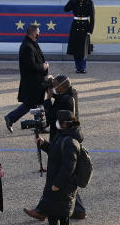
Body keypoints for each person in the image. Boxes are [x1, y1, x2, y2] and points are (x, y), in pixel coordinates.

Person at [36, 76, 85, 220]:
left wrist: (48, 99)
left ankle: (42, 209)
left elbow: (51, 117)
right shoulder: (69, 93)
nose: (54, 87)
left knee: (59, 174)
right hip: (61, 137)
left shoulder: (66, 100)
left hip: (62, 139)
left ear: (62, 87)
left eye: (56, 85)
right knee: (64, 177)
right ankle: (79, 209)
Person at [25, 110, 84, 225]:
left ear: (64, 124)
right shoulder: (62, 134)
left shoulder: (70, 142)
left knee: (62, 219)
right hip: (54, 186)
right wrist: (44, 144)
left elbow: (68, 167)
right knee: (52, 217)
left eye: (58, 121)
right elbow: (56, 152)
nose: (56, 123)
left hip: (61, 189)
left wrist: (57, 184)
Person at [4, 23, 49, 132]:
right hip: (32, 82)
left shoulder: (32, 43)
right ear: (33, 34)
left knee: (37, 103)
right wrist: (43, 66)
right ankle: (11, 117)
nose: (39, 34)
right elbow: (31, 66)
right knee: (30, 104)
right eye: (38, 33)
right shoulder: (27, 47)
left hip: (37, 80)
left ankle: (40, 126)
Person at [63, 0, 95, 74]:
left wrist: (90, 30)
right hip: (75, 26)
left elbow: (92, 17)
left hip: (85, 26)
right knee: (76, 48)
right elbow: (66, 9)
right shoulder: (74, 2)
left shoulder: (89, 2)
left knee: (83, 48)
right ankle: (78, 67)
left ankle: (83, 67)